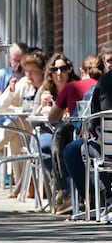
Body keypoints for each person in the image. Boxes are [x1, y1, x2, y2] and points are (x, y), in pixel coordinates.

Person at [0, 51, 49, 198]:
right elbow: (1, 107)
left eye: (32, 71)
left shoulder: (48, 86)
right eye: (26, 71)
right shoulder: (24, 84)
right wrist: (10, 91)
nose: (28, 75)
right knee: (16, 137)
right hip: (28, 131)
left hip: (44, 129)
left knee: (17, 124)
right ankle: (23, 185)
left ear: (42, 71)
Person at [48, 54, 101, 214]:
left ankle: (72, 194)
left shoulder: (72, 87)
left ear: (79, 70)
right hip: (103, 139)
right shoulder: (103, 84)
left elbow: (52, 118)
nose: (59, 72)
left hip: (85, 138)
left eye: (63, 68)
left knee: (68, 148)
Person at [63, 41, 112, 211]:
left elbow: (93, 123)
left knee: (75, 150)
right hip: (106, 144)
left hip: (107, 147)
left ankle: (99, 202)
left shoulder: (103, 83)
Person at [32, 53, 80, 172]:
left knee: (73, 150)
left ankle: (66, 187)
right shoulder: (44, 90)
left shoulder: (76, 87)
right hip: (48, 131)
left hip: (72, 131)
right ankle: (62, 185)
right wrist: (41, 106)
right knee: (45, 147)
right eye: (55, 69)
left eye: (63, 69)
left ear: (69, 70)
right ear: (50, 72)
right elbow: (33, 122)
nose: (59, 73)